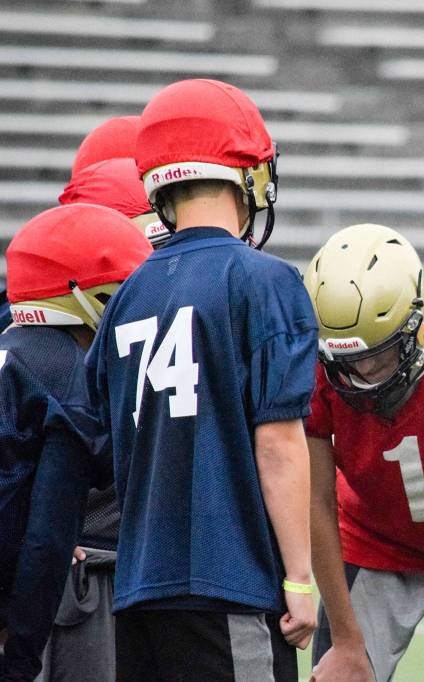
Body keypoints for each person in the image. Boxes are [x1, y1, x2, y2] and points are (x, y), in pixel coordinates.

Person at [86, 78, 317, 680]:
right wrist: (298, 575)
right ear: (249, 175)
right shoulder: (266, 281)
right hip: (230, 582)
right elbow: (279, 444)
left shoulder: (127, 294)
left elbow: (106, 446)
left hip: (138, 588)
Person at [303, 223, 424, 682]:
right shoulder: (316, 364)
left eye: (380, 354)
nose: (365, 372)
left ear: (418, 323)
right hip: (371, 540)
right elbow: (316, 500)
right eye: (347, 362)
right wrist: (348, 642)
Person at [0, 203, 151, 681]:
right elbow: (47, 539)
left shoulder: (11, 346)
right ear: (83, 294)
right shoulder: (67, 381)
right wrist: (20, 660)